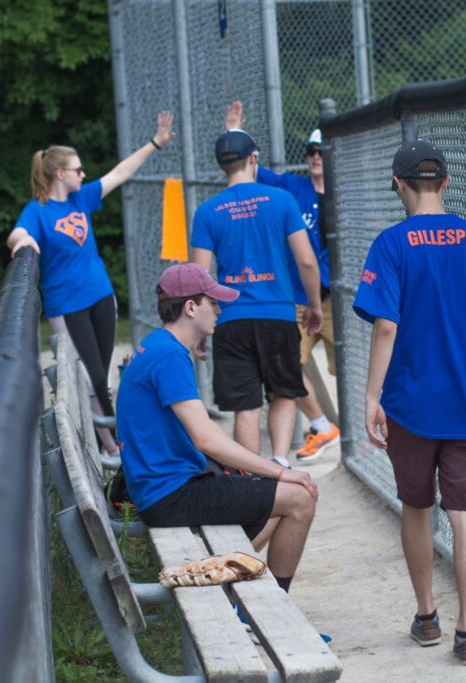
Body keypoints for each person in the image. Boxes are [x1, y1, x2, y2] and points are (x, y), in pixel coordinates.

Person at [354, 140, 466, 665]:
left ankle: (426, 617)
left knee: (417, 505)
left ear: (398, 184)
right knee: (465, 510)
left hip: (412, 402)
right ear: (445, 182)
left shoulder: (392, 243)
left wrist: (372, 396)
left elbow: (386, 326)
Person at [116, 263, 319, 595]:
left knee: (273, 502)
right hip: (169, 494)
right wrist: (281, 472)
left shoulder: (159, 345)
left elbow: (202, 433)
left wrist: (264, 473)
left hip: (161, 488)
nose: (219, 310)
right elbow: (205, 438)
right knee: (300, 497)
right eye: (213, 303)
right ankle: (272, 601)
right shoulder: (169, 356)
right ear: (190, 307)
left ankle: (232, 584)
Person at [7, 112, 175, 453]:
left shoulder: (80, 198)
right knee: (90, 377)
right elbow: (17, 233)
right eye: (78, 170)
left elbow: (120, 173)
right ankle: (115, 449)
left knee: (103, 375)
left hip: (100, 295)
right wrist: (22, 240)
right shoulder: (38, 210)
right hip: (66, 304)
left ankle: (112, 444)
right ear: (59, 173)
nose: (83, 175)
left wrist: (155, 143)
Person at [190, 127, 323, 470]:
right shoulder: (281, 200)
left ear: (221, 165)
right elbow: (307, 261)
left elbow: (199, 277)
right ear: (253, 159)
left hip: (231, 319)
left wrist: (200, 328)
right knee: (284, 392)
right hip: (277, 314)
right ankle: (279, 462)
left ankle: (251, 474)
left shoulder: (207, 211)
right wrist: (313, 305)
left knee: (246, 406)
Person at [225, 101, 341, 463]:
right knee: (288, 366)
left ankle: (361, 435)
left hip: (338, 298)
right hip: (300, 298)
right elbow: (247, 168)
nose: (315, 157)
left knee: (349, 369)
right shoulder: (292, 188)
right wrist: (233, 132)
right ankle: (322, 426)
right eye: (310, 151)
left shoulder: (346, 193)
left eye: (321, 151)